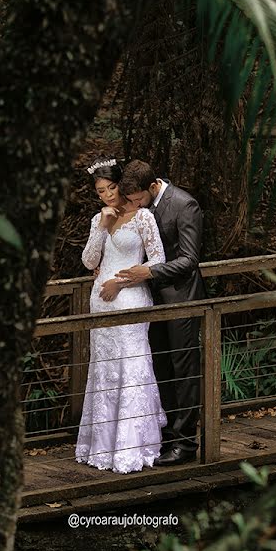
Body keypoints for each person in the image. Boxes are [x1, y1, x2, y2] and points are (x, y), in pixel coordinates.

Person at [75, 157, 168, 474]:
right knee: (104, 371)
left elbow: (156, 261)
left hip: (129, 300)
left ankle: (131, 447)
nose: (107, 195)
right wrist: (101, 226)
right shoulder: (97, 219)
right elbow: (89, 262)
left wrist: (120, 281)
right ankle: (101, 446)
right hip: (100, 306)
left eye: (111, 188)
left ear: (122, 185)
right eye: (100, 191)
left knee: (131, 367)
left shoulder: (143, 217)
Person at [116, 160, 206, 466]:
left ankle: (186, 443)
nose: (134, 204)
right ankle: (165, 437)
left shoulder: (184, 204)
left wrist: (150, 271)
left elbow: (189, 260)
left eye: (138, 198)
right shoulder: (142, 206)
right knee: (161, 368)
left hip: (182, 298)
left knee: (183, 369)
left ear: (152, 186)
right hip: (149, 299)